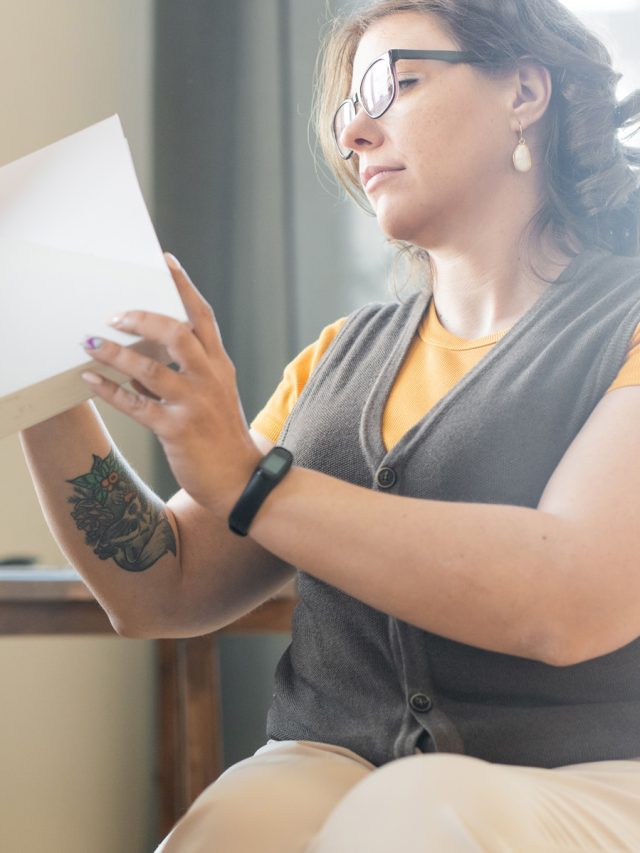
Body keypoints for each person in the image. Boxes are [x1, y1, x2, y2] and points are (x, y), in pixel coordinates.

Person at [19, 0, 640, 850]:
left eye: (394, 83)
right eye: (348, 107)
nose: (354, 130)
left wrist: (250, 480)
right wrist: (37, 370)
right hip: (340, 762)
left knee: (417, 811)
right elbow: (163, 586)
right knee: (237, 822)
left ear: (524, 91)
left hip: (598, 776)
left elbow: (570, 599)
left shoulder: (627, 325)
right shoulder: (337, 359)